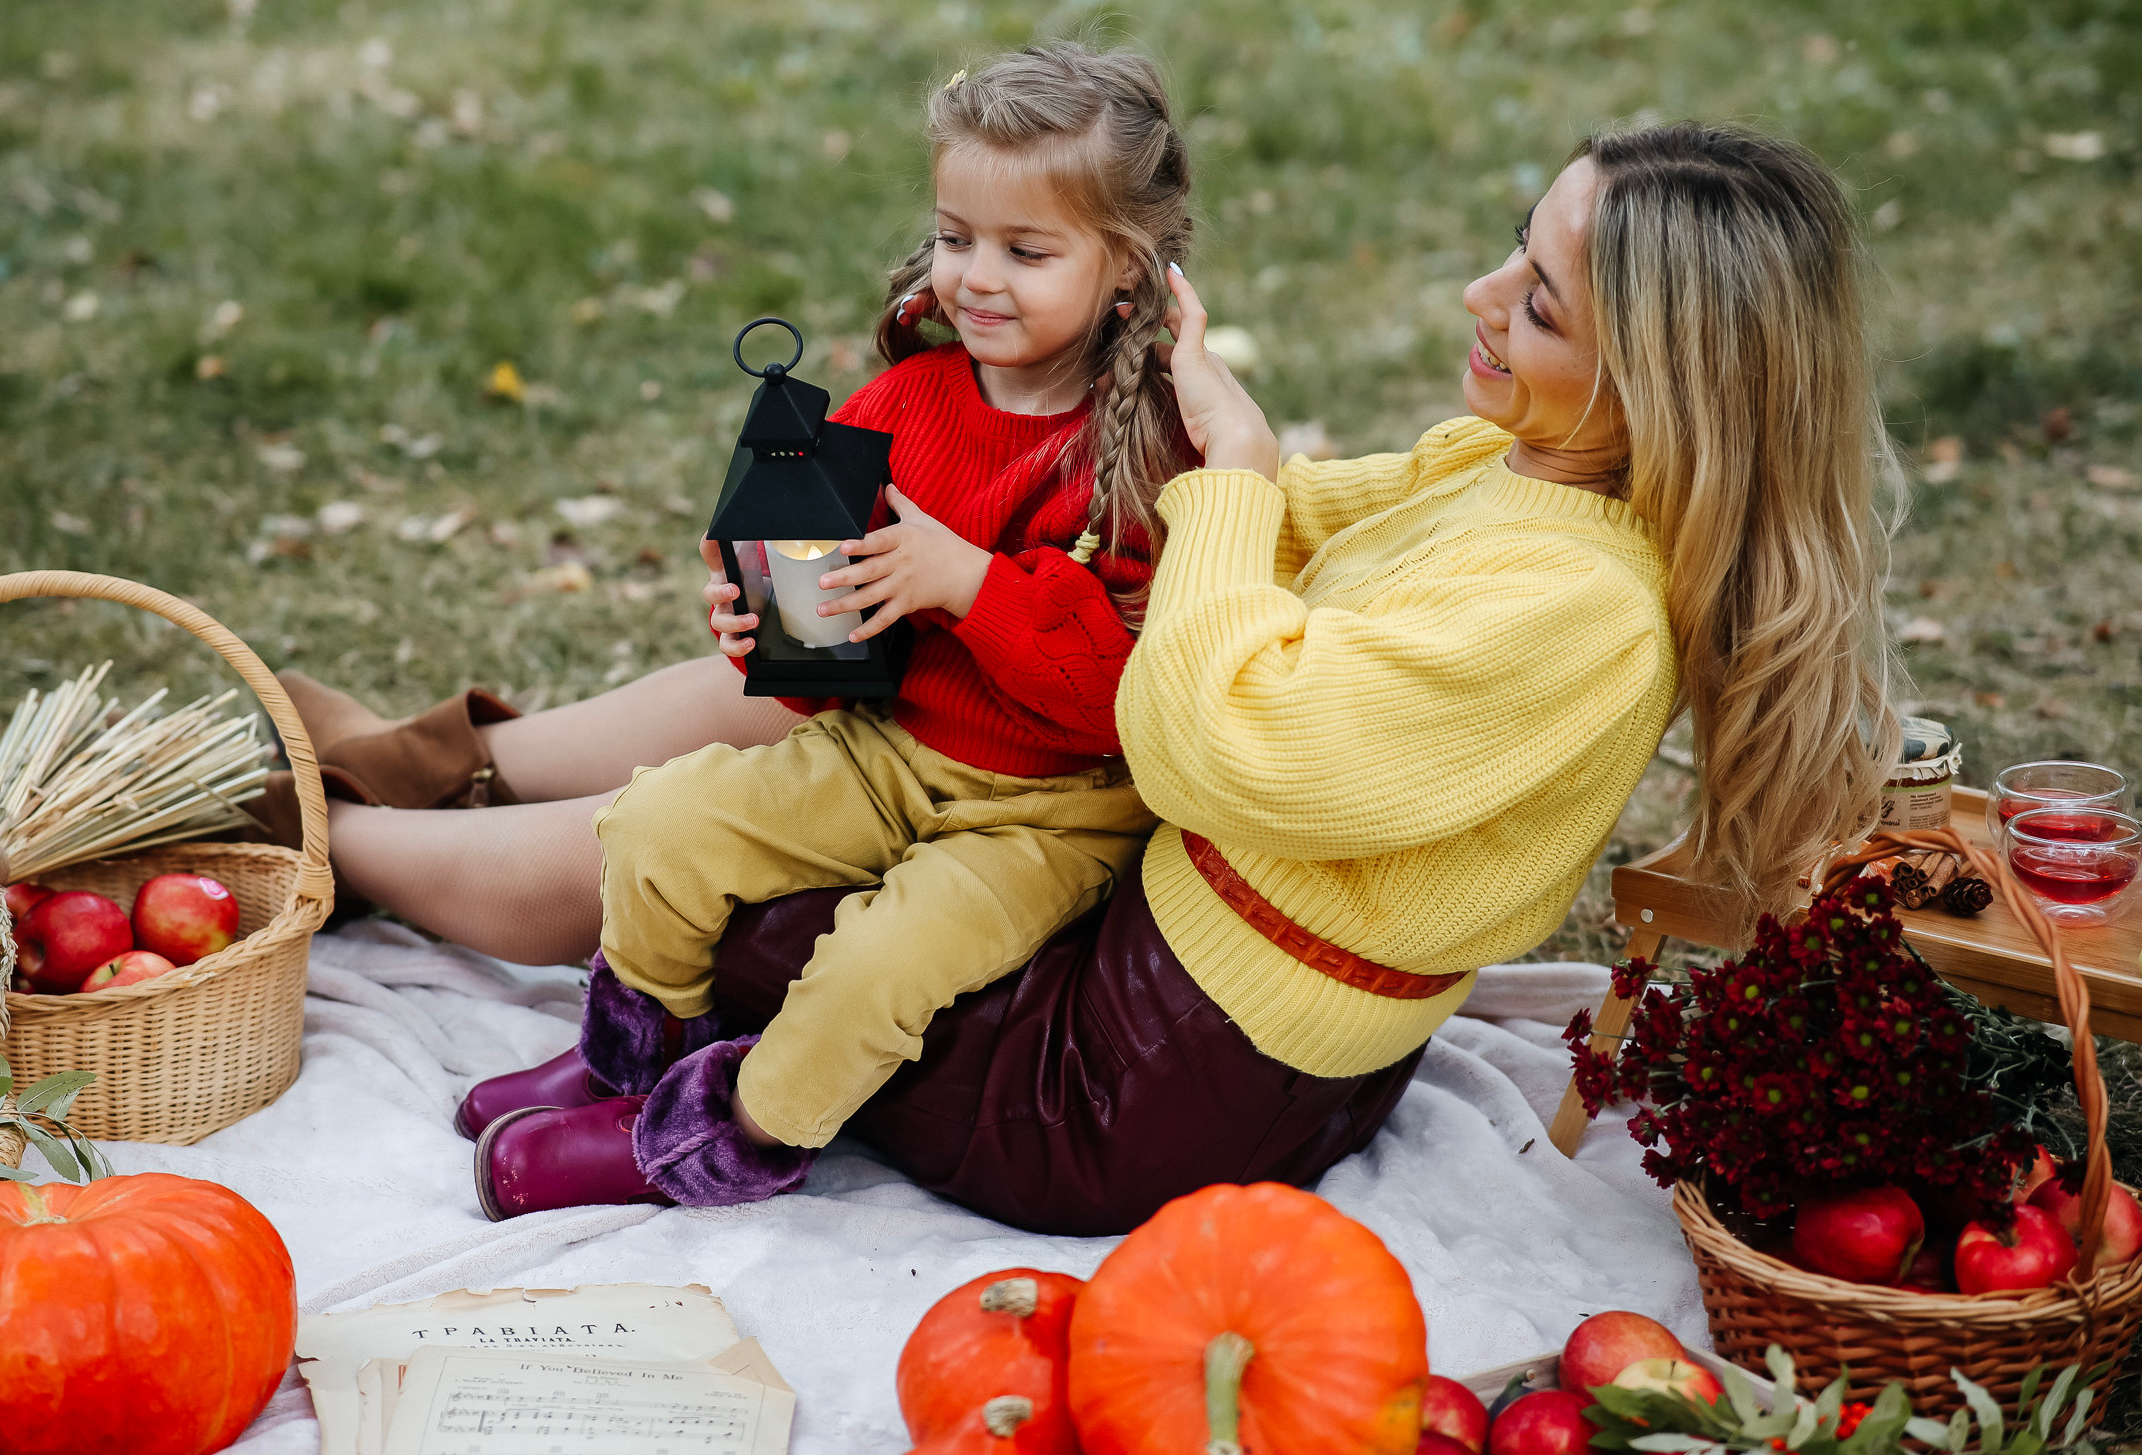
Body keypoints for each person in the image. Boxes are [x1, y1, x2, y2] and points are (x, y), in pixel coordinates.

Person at [259, 118, 1899, 1237]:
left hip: (1147, 1079)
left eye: (1536, 301)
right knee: (859, 675)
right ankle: (451, 769)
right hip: (1171, 949)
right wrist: (976, 516)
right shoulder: (1519, 472)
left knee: (748, 870)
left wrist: (1230, 469)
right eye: (1510, 251)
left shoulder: (1576, 613)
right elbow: (1232, 533)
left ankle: (332, 848)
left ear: (1661, 381)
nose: (1480, 299)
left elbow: (1205, 733)